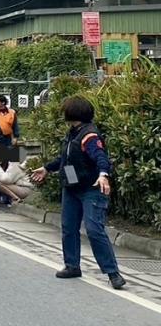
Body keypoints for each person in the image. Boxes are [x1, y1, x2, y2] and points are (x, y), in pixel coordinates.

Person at [31, 97, 126, 290]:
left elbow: (101, 158)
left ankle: (113, 273)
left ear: (72, 113)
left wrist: (103, 175)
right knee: (68, 227)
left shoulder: (89, 135)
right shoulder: (73, 133)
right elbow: (66, 158)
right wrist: (47, 169)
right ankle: (72, 265)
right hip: (72, 186)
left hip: (90, 189)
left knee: (93, 229)